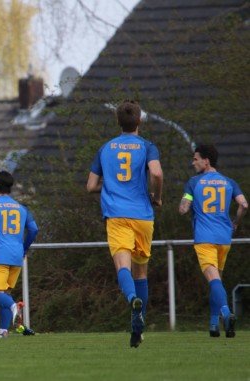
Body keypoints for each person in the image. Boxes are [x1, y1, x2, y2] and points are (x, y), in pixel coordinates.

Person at [86, 100, 163, 348]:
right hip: (142, 215)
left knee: (123, 267)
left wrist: (109, 186)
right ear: (139, 121)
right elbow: (157, 173)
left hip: (117, 215)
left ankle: (132, 299)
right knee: (141, 272)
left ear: (118, 122)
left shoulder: (105, 148)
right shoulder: (147, 146)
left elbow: (90, 186)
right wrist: (158, 197)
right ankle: (137, 326)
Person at [178, 144, 247, 338]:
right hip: (224, 238)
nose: (193, 163)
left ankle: (226, 313)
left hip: (205, 238)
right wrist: (235, 223)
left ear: (206, 161)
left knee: (214, 281)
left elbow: (183, 209)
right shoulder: (229, 182)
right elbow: (243, 204)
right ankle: (213, 324)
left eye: (196, 159)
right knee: (216, 282)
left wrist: (186, 206)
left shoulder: (193, 182)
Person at [0, 171, 38, 339]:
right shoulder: (21, 207)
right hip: (16, 257)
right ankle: (3, 331)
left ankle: (13, 307)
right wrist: (24, 248)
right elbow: (34, 229)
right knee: (5, 293)